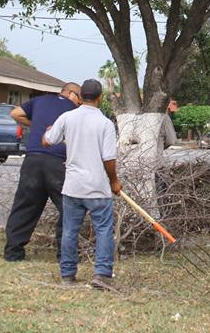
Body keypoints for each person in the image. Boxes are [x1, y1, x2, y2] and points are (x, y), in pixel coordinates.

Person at [43, 79, 122, 289]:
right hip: (97, 187)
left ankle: (67, 275)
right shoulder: (105, 123)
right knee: (104, 230)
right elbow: (109, 159)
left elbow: (48, 140)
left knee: (70, 230)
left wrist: (49, 131)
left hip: (73, 187)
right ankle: (102, 275)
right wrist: (114, 181)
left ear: (80, 97)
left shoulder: (67, 118)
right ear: (99, 98)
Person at [2, 82, 81, 262]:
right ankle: (65, 254)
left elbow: (15, 113)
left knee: (25, 205)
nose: (79, 102)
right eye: (79, 97)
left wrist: (34, 123)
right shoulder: (74, 111)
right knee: (68, 207)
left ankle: (13, 252)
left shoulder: (40, 100)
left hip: (33, 160)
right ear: (72, 94)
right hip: (57, 162)